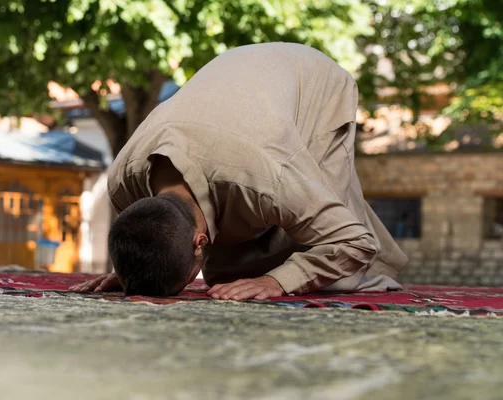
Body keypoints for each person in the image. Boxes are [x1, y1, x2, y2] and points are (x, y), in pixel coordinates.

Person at [70, 43, 408, 300]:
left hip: (312, 82)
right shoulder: (121, 182)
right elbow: (149, 236)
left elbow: (354, 242)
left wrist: (276, 281)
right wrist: (133, 271)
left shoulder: (268, 179)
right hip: (241, 85)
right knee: (227, 279)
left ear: (199, 241)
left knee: (328, 267)